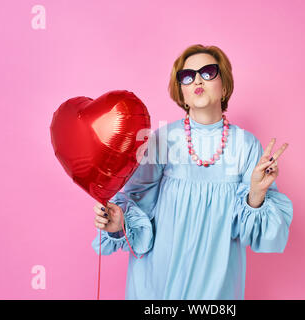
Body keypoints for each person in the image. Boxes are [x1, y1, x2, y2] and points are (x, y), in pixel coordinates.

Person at [91, 44, 293, 300]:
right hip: (159, 281)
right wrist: (119, 224)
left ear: (225, 86)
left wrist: (256, 194)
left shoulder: (245, 145)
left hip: (217, 284)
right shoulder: (162, 140)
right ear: (182, 94)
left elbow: (257, 232)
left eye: (208, 72)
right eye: (187, 76)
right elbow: (135, 203)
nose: (197, 79)